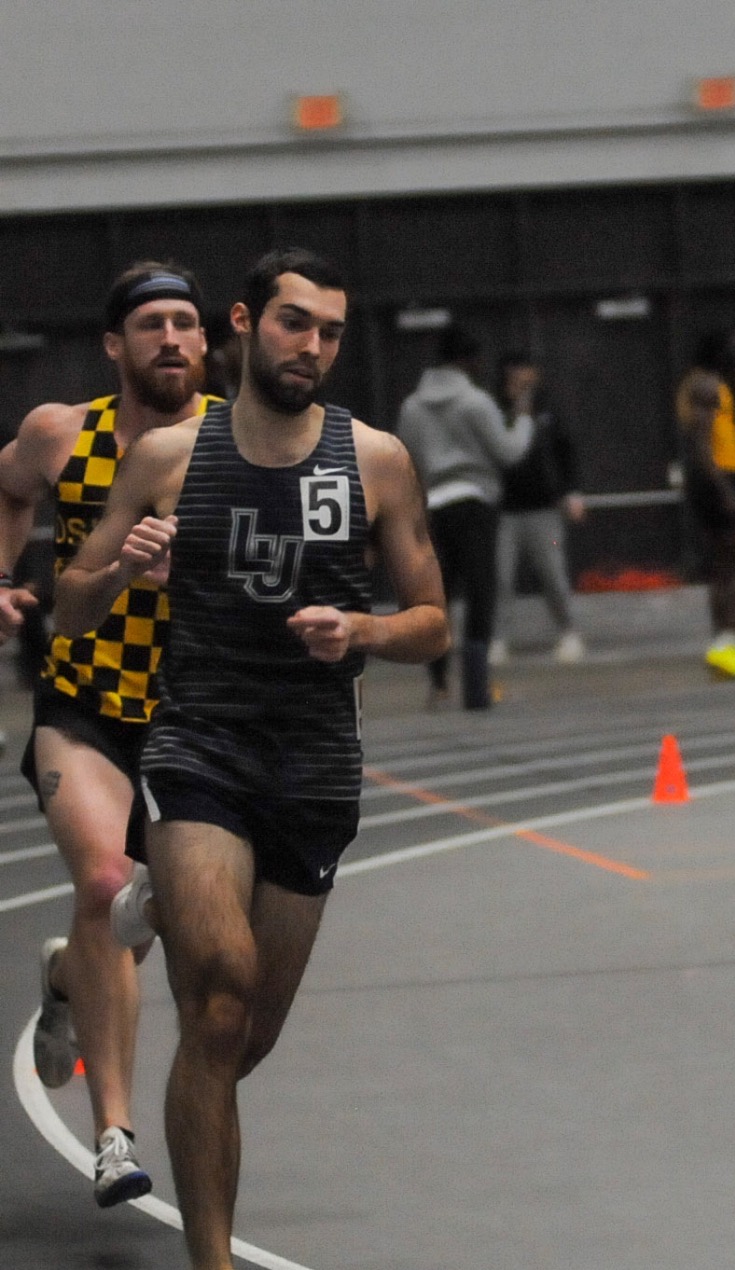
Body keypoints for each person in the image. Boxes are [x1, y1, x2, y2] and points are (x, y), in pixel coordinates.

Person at [56, 248, 448, 1270]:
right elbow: (70, 606)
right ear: (244, 323)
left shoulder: (378, 459)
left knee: (235, 1042)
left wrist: (361, 634)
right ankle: (214, 1261)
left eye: (328, 330)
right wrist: (119, 566)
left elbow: (434, 622)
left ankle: (153, 908)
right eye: (292, 323)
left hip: (315, 766)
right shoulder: (169, 456)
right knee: (219, 981)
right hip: (200, 747)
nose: (310, 345)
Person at [0, 261, 221, 1207]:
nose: (171, 338)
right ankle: (114, 1138)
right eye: (151, 325)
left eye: (186, 323)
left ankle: (66, 982)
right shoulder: (63, 433)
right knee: (103, 881)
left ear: (210, 342)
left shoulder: (241, 440)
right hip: (84, 702)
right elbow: (6, 485)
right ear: (114, 346)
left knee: (143, 916)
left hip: (202, 712)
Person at [397, 324, 529, 708]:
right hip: (475, 503)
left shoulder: (413, 406)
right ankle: (476, 687)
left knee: (436, 596)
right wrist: (522, 419)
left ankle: (438, 684)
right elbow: (508, 452)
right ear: (469, 361)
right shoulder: (475, 402)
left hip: (434, 506)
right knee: (480, 592)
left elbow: (405, 460)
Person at [677, 329, 735, 680]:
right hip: (715, 483)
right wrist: (723, 490)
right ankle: (726, 641)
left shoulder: (707, 383)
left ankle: (721, 647)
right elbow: (700, 444)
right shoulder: (705, 386)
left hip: (712, 482)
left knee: (725, 565)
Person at [490, 352, 586, 665]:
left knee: (553, 572)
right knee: (501, 577)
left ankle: (568, 630)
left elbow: (565, 452)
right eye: (518, 383)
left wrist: (571, 492)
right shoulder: (495, 412)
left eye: (529, 382)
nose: (524, 389)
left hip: (544, 509)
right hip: (505, 511)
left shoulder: (548, 414)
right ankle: (498, 638)